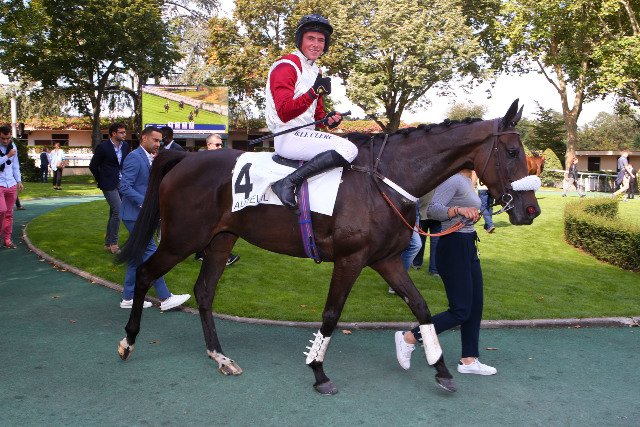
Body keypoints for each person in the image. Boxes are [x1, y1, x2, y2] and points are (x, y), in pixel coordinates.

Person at [394, 169, 497, 376]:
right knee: (460, 310)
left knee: (475, 306)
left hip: (468, 243)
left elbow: (460, 212)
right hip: (453, 247)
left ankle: (469, 360)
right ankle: (409, 338)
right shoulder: (454, 179)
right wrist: (459, 210)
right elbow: (433, 210)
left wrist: (470, 214)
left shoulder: (467, 180)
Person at [266, 14, 358, 212]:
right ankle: (287, 183)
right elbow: (284, 113)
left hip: (305, 134)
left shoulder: (316, 72)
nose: (316, 45)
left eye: (321, 40)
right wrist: (313, 92)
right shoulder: (286, 66)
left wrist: (329, 120)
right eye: (311, 38)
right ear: (300, 40)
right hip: (287, 135)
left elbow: (318, 117)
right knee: (349, 150)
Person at [118, 126, 190, 310]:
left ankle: (128, 298)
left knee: (137, 256)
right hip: (134, 215)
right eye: (155, 140)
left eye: (160, 141)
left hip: (140, 215)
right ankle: (165, 298)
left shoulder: (148, 157)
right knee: (152, 253)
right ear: (144, 138)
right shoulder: (134, 157)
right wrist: (145, 203)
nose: (158, 144)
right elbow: (124, 187)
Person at [194, 134, 240, 266]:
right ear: (209, 145)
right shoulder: (201, 160)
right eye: (217, 145)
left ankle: (203, 254)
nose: (220, 147)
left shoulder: (218, 160)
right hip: (205, 201)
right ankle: (216, 255)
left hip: (215, 201)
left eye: (221, 145)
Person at [89, 122, 131, 254]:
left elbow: (125, 164)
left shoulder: (125, 146)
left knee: (114, 212)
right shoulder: (103, 147)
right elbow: (93, 165)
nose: (124, 134)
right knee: (119, 211)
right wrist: (101, 179)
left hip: (121, 182)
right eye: (121, 132)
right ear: (113, 133)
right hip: (108, 184)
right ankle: (113, 243)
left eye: (125, 132)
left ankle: (108, 243)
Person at [0, 125, 24, 249]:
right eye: (3, 138)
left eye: (8, 138)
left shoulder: (13, 146)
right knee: (2, 210)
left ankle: (7, 239)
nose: (5, 141)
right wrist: (7, 156)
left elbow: (15, 165)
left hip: (11, 183)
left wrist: (19, 181)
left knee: (9, 213)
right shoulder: (9, 152)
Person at [412, 191, 441, 276]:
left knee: (421, 241)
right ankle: (434, 269)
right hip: (434, 215)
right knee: (434, 242)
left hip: (425, 214)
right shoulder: (441, 185)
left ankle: (417, 263)